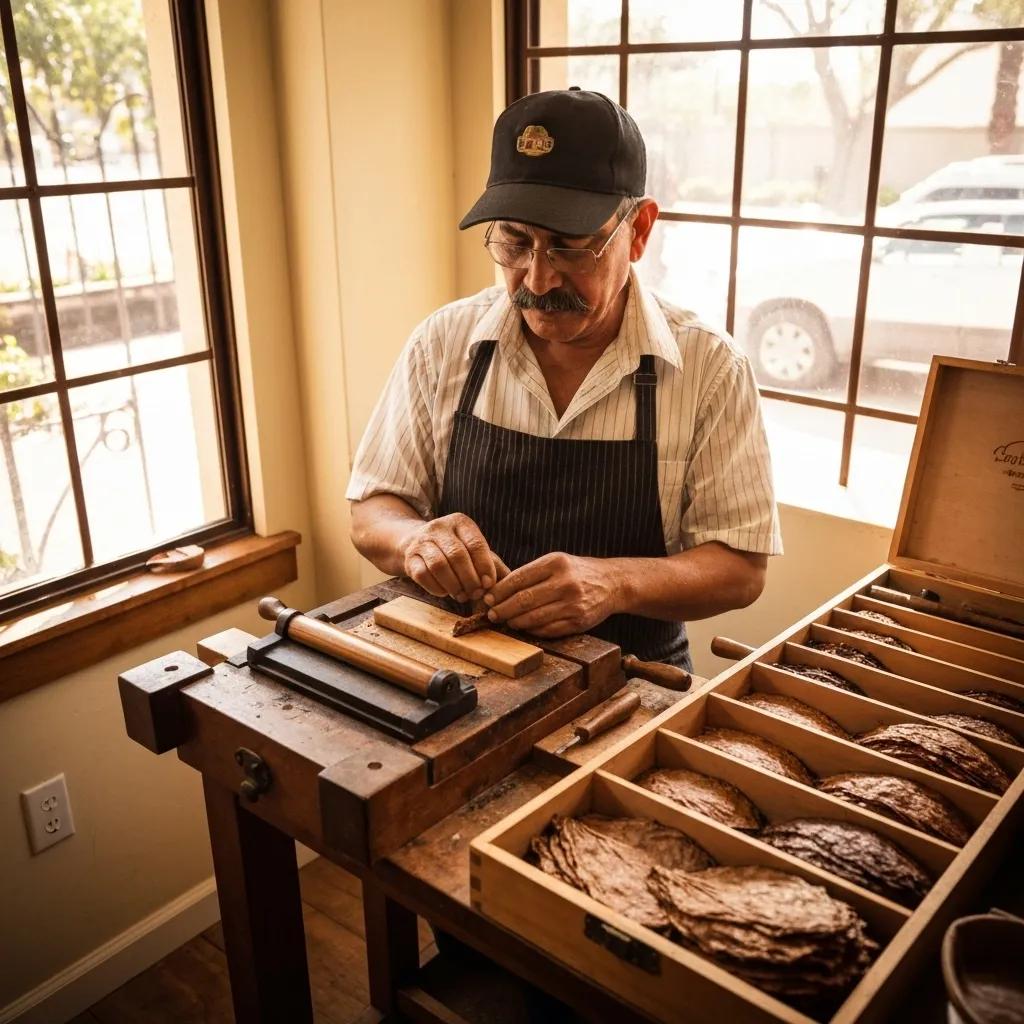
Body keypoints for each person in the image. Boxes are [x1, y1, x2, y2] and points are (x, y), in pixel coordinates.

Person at [347, 88, 782, 671]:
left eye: (572, 247)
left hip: (629, 685)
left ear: (640, 229)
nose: (540, 277)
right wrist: (414, 541)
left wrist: (616, 583)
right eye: (515, 242)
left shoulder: (708, 368)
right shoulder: (443, 342)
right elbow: (374, 508)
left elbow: (741, 570)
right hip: (457, 671)